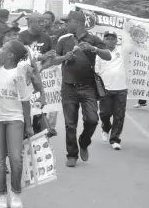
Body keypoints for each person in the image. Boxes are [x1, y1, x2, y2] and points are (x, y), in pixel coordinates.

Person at [51, 11, 111, 168]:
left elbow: (108, 55)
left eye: (68, 22)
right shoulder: (64, 40)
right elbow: (54, 59)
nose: (65, 25)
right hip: (68, 87)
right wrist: (65, 57)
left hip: (88, 87)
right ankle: (72, 154)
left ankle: (83, 142)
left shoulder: (93, 39)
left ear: (77, 22)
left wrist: (93, 49)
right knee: (70, 124)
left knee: (92, 120)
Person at [0, 40, 33, 208]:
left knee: (15, 158)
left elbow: (25, 101)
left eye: (3, 49)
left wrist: (29, 125)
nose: (0, 51)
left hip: (15, 119)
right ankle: (1, 196)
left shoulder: (19, 73)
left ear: (11, 54)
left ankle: (16, 194)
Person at [96, 31, 128, 150]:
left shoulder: (122, 50)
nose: (110, 40)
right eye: (108, 38)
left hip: (121, 88)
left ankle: (115, 139)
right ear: (104, 40)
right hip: (106, 89)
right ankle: (105, 127)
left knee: (119, 116)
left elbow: (131, 42)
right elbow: (96, 71)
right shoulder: (99, 53)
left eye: (113, 38)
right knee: (105, 113)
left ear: (116, 40)